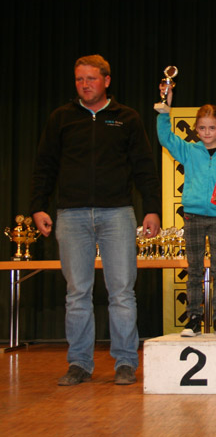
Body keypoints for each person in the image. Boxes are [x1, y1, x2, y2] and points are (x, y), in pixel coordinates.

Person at [30, 54, 161, 386]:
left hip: (117, 213)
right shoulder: (61, 118)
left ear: (106, 80)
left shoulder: (127, 118)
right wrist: (38, 206)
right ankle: (79, 363)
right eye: (79, 79)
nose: (84, 85)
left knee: (122, 292)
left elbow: (144, 166)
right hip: (71, 214)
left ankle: (126, 362)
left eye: (91, 78)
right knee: (77, 293)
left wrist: (152, 208)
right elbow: (44, 165)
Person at [157, 88, 216, 337]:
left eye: (212, 128)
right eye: (202, 128)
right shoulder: (189, 151)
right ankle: (194, 319)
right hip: (193, 216)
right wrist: (164, 110)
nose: (207, 132)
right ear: (196, 129)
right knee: (194, 269)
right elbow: (165, 138)